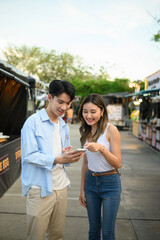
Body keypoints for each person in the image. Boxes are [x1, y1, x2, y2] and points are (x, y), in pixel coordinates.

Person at [21, 80, 84, 240]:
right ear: (50, 97)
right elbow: (29, 155)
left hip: (61, 187)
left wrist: (69, 155)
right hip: (40, 188)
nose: (64, 107)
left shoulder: (64, 125)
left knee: (57, 236)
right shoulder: (32, 123)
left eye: (68, 103)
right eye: (60, 102)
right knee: (36, 236)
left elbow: (64, 160)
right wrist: (58, 158)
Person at [78, 93, 121, 240]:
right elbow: (85, 164)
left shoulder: (111, 130)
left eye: (93, 111)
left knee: (108, 233)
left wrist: (102, 149)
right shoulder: (85, 131)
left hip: (110, 183)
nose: (88, 116)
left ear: (102, 111)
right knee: (93, 231)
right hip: (91, 183)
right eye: (85, 111)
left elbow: (117, 163)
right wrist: (82, 189)